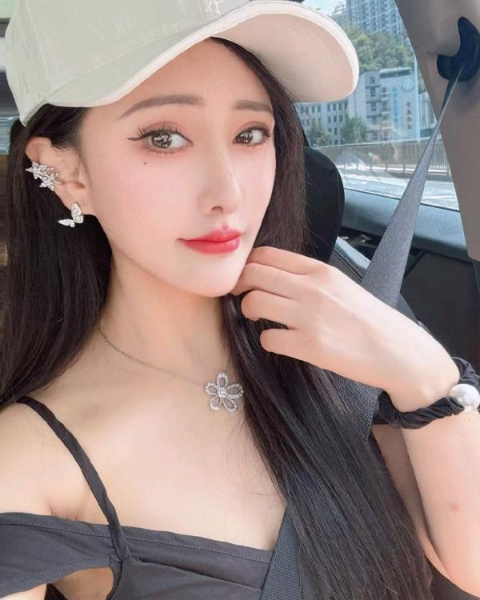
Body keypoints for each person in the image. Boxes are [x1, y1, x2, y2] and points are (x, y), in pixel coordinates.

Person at [1, 2, 479, 600]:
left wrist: (427, 377)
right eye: (165, 138)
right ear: (68, 175)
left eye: (250, 134)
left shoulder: (346, 344)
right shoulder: (27, 459)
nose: (227, 191)